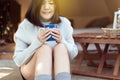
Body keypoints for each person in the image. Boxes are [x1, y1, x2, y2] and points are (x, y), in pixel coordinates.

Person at [13, 0, 78, 80]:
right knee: (44, 48)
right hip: (31, 71)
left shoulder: (64, 23)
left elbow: (74, 53)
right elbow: (18, 61)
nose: (47, 7)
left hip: (55, 70)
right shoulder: (25, 25)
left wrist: (62, 41)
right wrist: (37, 43)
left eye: (51, 3)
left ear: (55, 6)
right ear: (36, 6)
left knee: (61, 47)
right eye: (42, 3)